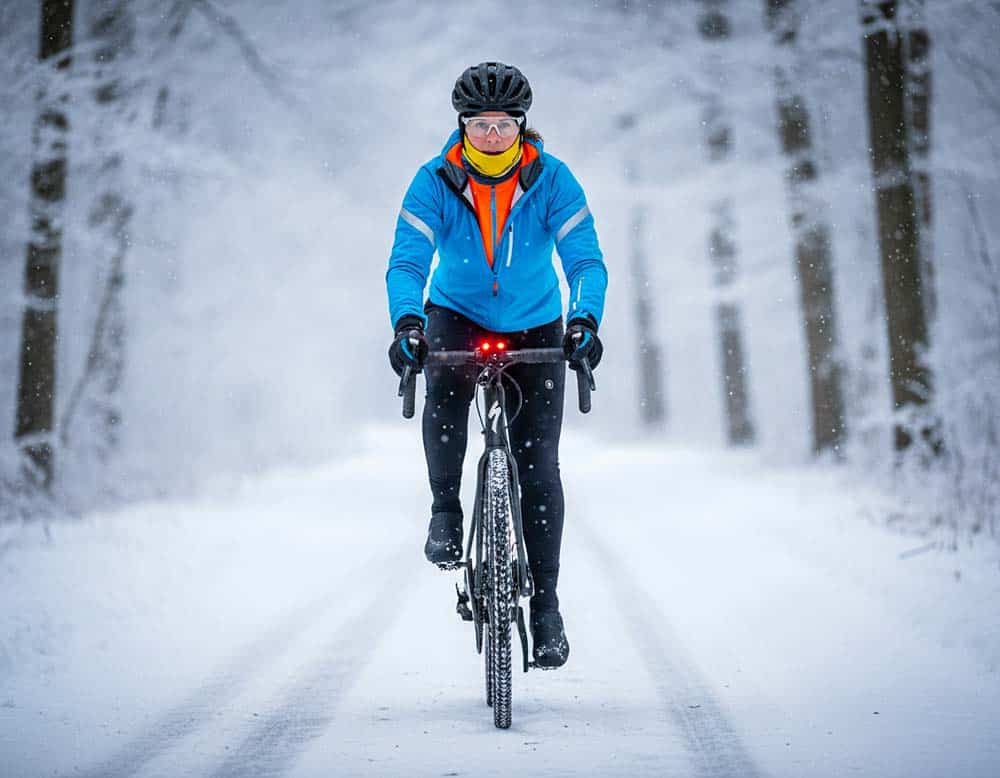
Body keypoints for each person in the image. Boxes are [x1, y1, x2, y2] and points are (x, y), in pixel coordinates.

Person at [385, 62, 607, 669]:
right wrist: (408, 323)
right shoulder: (434, 181)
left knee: (539, 465)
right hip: (455, 314)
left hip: (537, 322)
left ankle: (547, 607)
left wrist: (585, 321)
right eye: (479, 125)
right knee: (447, 397)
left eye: (502, 125)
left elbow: (586, 263)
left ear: (521, 126)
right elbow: (407, 263)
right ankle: (445, 510)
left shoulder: (553, 180)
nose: (490, 136)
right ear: (462, 126)